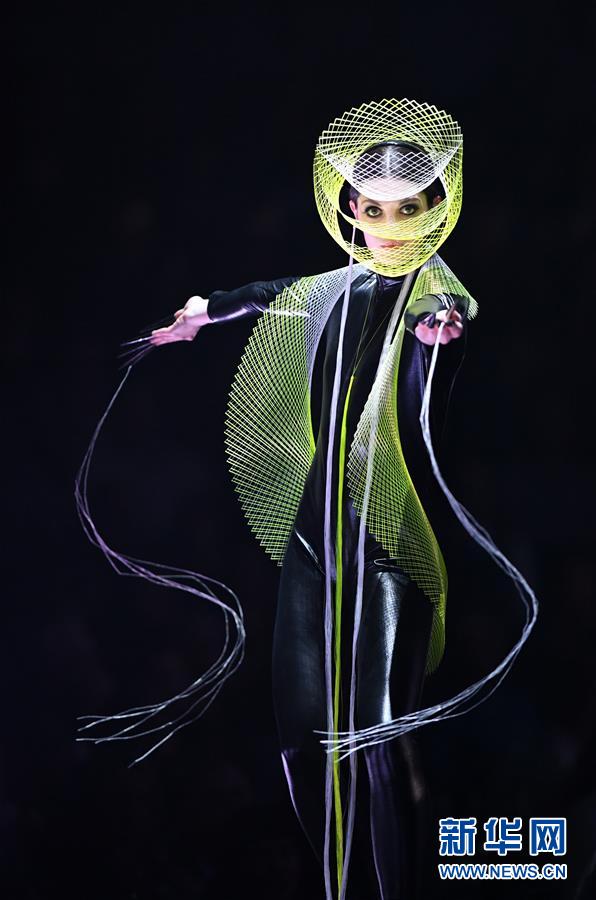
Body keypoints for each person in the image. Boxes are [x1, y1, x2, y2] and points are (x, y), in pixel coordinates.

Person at [147, 113, 473, 900]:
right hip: (313, 540)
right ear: (352, 208)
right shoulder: (330, 290)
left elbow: (448, 311)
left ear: (432, 207)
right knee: (301, 743)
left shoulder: (433, 288)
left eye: (407, 207)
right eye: (374, 207)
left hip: (386, 541)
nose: (390, 224)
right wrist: (202, 310)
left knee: (377, 738)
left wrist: (439, 329)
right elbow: (262, 295)